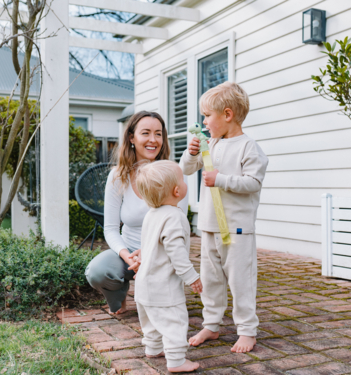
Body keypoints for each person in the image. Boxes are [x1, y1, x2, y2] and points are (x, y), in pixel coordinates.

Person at [180, 81, 268, 353]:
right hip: (208, 227)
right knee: (211, 280)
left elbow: (253, 183)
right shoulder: (211, 144)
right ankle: (212, 324)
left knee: (241, 281)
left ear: (227, 115)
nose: (204, 122)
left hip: (237, 230)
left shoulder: (249, 148)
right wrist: (192, 151)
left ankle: (247, 331)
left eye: (208, 116)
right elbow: (185, 168)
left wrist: (221, 179)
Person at [84, 111, 188, 315]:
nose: (153, 140)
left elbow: (180, 224)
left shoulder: (173, 173)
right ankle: (119, 295)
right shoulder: (118, 175)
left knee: (161, 311)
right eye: (146, 133)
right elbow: (112, 229)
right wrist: (128, 256)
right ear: (131, 137)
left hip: (163, 250)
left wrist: (149, 253)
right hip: (130, 251)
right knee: (97, 272)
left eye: (158, 134)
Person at [134, 160, 202, 373]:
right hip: (163, 286)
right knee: (174, 321)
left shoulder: (151, 215)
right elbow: (177, 254)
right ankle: (176, 361)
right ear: (176, 190)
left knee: (152, 322)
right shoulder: (174, 216)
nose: (184, 182)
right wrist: (191, 277)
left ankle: (153, 349)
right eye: (182, 179)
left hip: (144, 284)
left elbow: (145, 246)